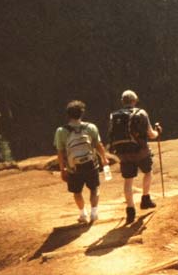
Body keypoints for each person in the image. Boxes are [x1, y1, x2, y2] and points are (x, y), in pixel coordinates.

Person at [107, 90, 161, 224]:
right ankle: (145, 199)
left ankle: (130, 210)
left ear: (122, 101)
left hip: (122, 152)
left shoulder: (114, 116)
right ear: (135, 101)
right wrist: (158, 131)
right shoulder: (141, 113)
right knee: (148, 172)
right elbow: (151, 134)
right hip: (140, 151)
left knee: (128, 181)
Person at [54, 100, 109, 223]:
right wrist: (104, 159)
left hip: (74, 168)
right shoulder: (91, 127)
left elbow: (60, 152)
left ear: (68, 114)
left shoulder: (61, 131)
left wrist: (62, 169)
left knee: (77, 191)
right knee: (94, 188)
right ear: (82, 113)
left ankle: (83, 214)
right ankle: (94, 213)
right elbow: (98, 145)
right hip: (91, 164)